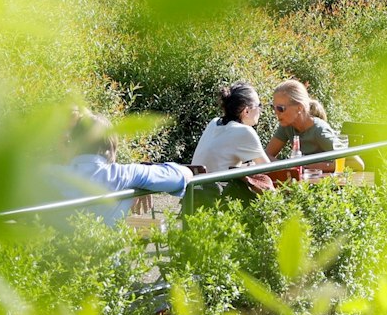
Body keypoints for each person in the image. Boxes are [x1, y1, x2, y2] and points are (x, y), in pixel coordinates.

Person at [50, 111, 193, 228]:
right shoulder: (124, 174)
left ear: (73, 143)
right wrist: (141, 185)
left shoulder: (48, 175)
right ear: (110, 146)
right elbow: (183, 175)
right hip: (108, 253)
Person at [266, 79, 353, 175]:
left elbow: (356, 163)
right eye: (273, 107)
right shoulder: (287, 126)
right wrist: (288, 167)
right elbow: (266, 156)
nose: (276, 113)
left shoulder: (319, 131)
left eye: (280, 108)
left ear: (299, 108)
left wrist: (313, 166)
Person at [191, 82, 266, 173]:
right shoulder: (245, 132)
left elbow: (220, 165)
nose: (261, 111)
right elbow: (268, 169)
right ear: (246, 111)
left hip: (198, 181)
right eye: (259, 105)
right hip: (217, 182)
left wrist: (247, 166)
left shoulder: (214, 123)